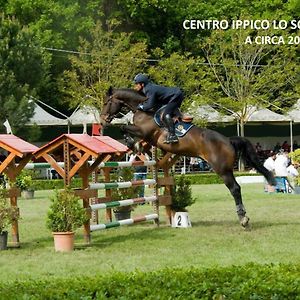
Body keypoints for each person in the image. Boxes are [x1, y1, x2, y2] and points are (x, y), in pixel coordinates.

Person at [133, 73, 184, 144]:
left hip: (175, 96)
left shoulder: (149, 89)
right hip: (171, 97)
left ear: (142, 84)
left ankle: (172, 136)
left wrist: (140, 106)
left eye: (136, 84)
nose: (135, 86)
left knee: (166, 115)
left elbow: (149, 105)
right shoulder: (147, 88)